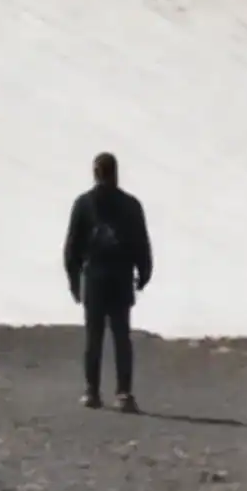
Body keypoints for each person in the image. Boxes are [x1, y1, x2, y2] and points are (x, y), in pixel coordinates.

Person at [62, 151, 153, 411]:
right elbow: (141, 243)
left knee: (94, 337)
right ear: (115, 172)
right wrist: (144, 273)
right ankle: (123, 393)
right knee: (121, 336)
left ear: (96, 173)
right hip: (120, 277)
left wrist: (74, 280)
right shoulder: (130, 205)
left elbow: (72, 248)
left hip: (95, 278)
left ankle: (92, 391)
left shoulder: (84, 204)